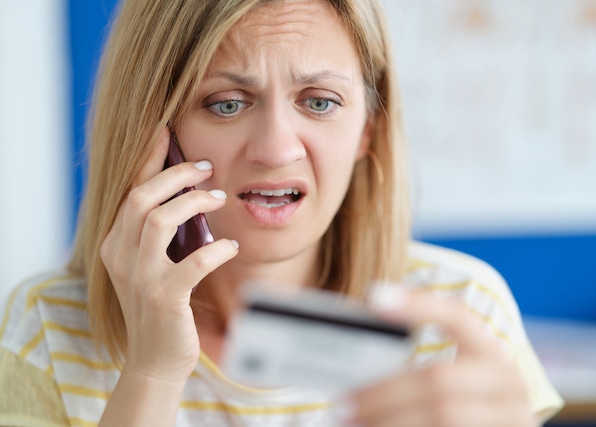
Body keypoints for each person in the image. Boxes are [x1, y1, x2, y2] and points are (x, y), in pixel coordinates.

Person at [0, 0, 564, 426]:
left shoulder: (460, 313)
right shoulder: (46, 327)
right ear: (153, 135)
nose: (274, 149)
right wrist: (152, 372)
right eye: (226, 104)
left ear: (368, 129)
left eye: (319, 101)